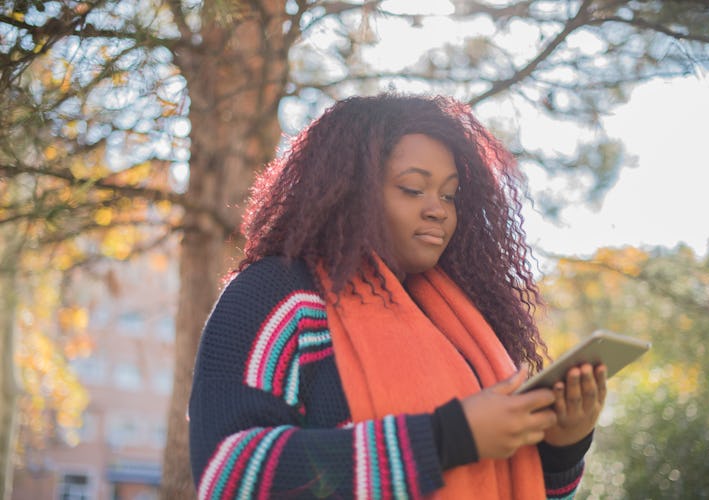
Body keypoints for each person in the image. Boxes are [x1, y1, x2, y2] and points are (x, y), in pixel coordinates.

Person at [188, 94, 607, 499]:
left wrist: (562, 449)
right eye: (412, 188)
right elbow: (230, 476)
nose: (437, 209)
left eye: (449, 194)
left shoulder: (462, 324)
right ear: (350, 190)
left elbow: (515, 486)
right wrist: (448, 438)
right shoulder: (279, 295)